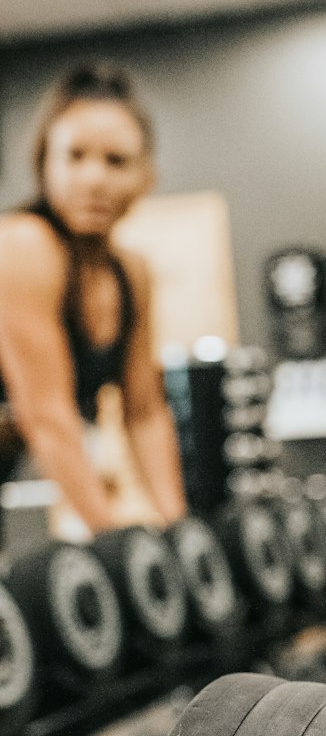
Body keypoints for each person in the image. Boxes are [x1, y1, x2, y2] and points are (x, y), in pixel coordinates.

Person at [0, 65, 186, 532]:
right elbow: (46, 417)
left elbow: (144, 412)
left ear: (148, 176)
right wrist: (117, 546)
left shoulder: (131, 273)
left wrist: (179, 529)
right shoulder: (23, 245)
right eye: (75, 156)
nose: (94, 178)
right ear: (45, 165)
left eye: (116, 161)